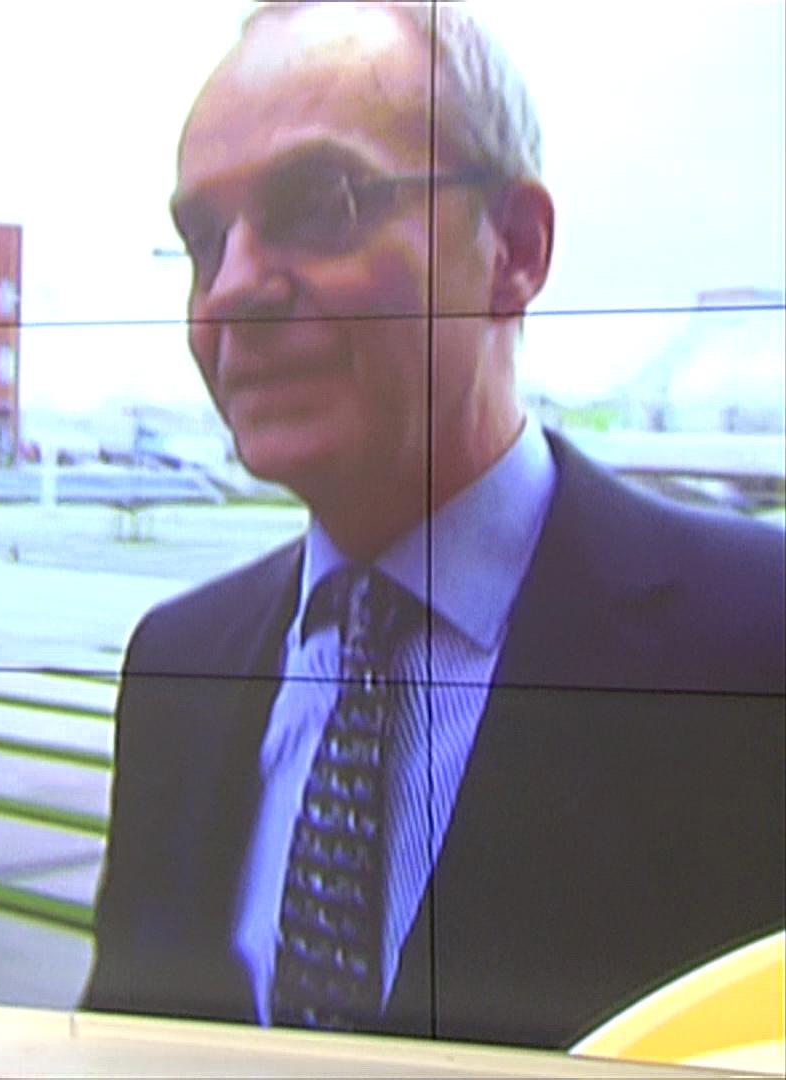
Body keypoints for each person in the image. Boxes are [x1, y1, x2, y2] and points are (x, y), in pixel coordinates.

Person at [81, 4, 784, 1051]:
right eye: (202, 242)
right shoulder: (178, 665)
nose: (229, 291)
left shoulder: (756, 647)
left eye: (322, 203)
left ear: (515, 249)